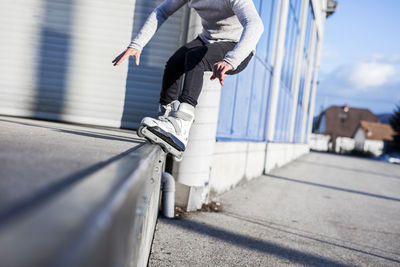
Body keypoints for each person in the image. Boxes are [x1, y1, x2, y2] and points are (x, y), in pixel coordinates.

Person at [112, 0, 264, 157]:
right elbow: (161, 12)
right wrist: (137, 44)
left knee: (194, 58)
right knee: (174, 63)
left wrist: (231, 60)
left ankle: (181, 125)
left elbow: (255, 24)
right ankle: (166, 118)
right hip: (208, 39)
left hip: (237, 47)